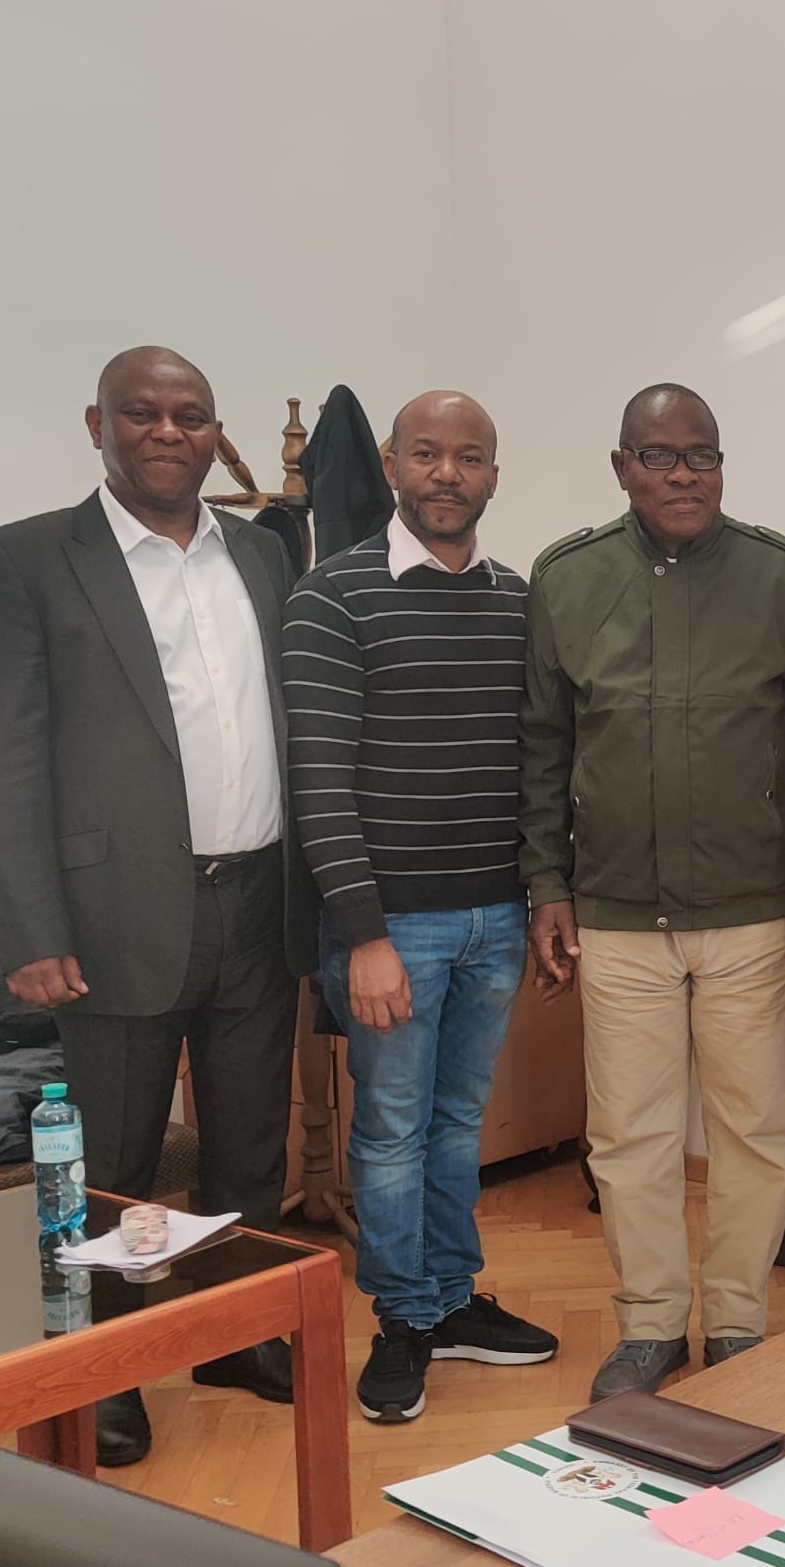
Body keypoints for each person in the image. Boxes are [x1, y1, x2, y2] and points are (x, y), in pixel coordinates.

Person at [0, 346, 312, 1465]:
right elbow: (0, 758)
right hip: (111, 914)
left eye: (191, 415)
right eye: (143, 413)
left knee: (248, 1146)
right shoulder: (24, 557)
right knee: (107, 1162)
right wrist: (29, 931)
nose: (168, 432)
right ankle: (101, 1367)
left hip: (257, 894)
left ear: (216, 433)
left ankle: (236, 1336)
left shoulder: (262, 550)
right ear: (97, 424)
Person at [521, 383, 785, 1399]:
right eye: (658, 456)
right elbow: (543, 747)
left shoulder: (784, 578)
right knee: (630, 1136)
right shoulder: (566, 580)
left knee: (756, 1132)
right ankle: (650, 1328)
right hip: (616, 917)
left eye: (702, 454)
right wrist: (546, 883)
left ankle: (739, 1325)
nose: (683, 474)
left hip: (753, 912)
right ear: (622, 467)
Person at [283, 390, 557, 1423]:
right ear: (392, 464)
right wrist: (363, 936)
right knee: (392, 1131)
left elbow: (537, 762)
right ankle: (401, 1316)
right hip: (392, 927)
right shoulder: (330, 597)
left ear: (494, 476)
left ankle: (450, 1298)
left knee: (455, 1126)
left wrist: (539, 896)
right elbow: (319, 782)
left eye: (470, 456)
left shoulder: (518, 599)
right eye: (427, 453)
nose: (448, 473)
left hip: (495, 918)